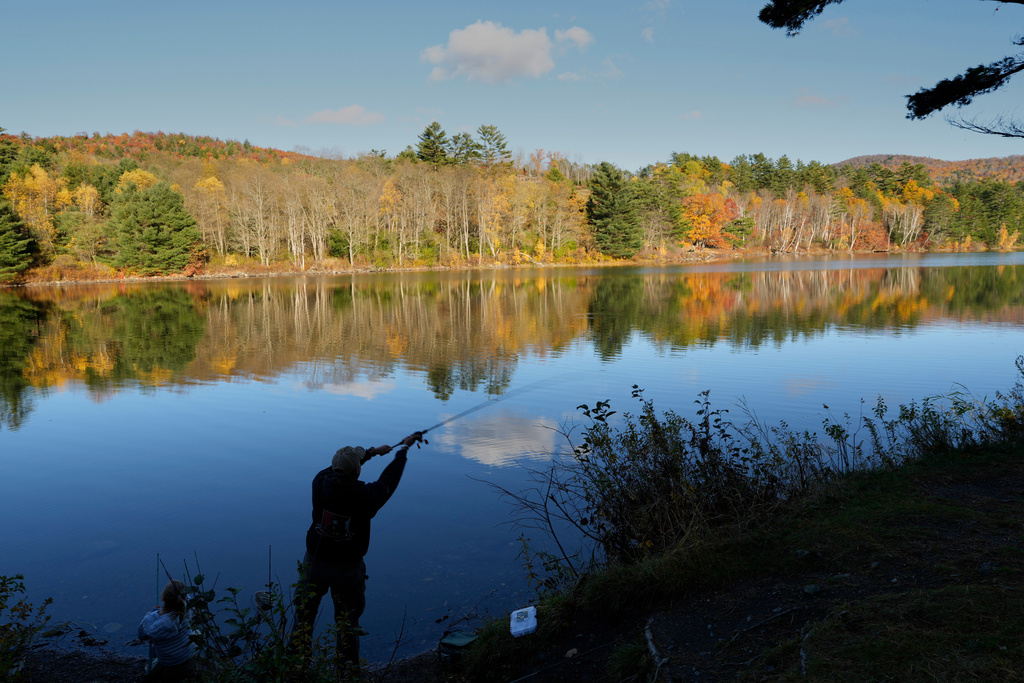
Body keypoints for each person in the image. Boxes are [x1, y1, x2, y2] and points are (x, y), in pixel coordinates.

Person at [290, 431, 424, 671]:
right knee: (347, 623)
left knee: (303, 616)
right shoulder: (367, 497)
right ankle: (347, 671)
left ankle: (296, 666)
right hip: (348, 570)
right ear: (357, 472)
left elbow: (341, 468)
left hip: (315, 563)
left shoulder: (320, 481)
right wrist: (402, 450)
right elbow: (389, 480)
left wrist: (371, 453)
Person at [138, 579, 197, 682]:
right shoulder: (188, 606)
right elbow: (185, 598)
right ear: (184, 597)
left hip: (169, 661)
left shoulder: (156, 621)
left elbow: (141, 634)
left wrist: (153, 612)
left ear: (164, 597)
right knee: (196, 632)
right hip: (188, 652)